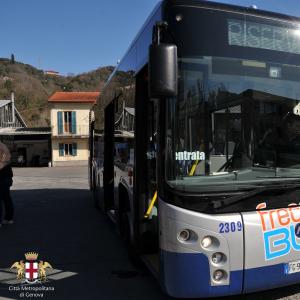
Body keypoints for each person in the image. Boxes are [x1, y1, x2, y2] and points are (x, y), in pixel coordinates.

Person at [0, 142, 14, 228]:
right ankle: (9, 219)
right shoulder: (4, 147)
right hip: (7, 177)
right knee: (6, 198)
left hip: (2, 178)